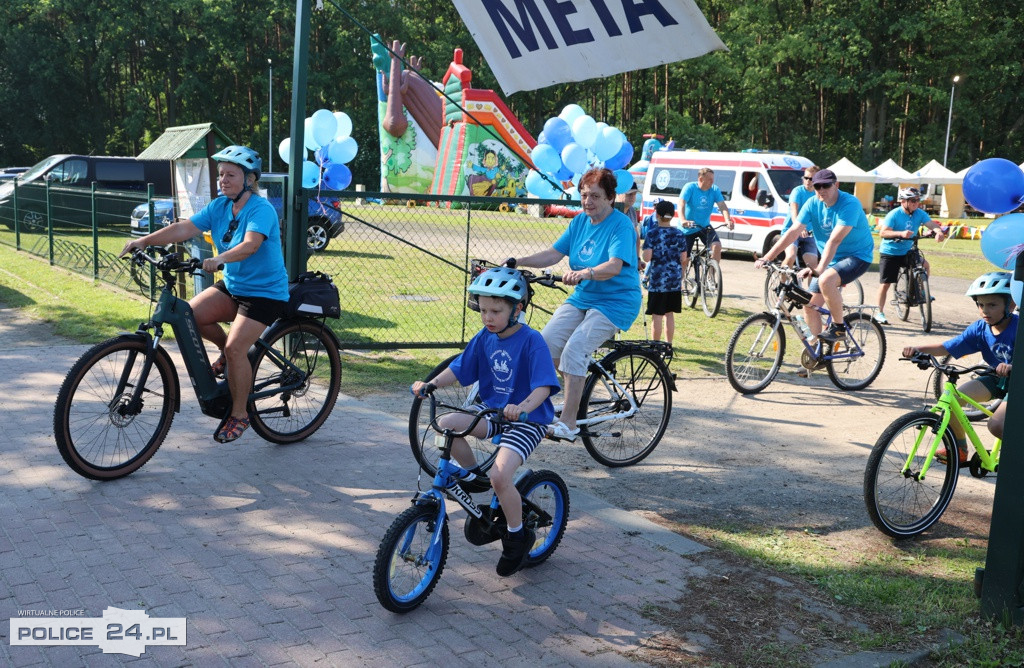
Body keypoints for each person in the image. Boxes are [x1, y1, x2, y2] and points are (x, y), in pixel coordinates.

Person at [120, 146, 288, 443]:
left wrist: (221, 260)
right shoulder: (220, 206)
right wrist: (144, 241)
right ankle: (228, 354)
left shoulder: (261, 210)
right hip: (234, 286)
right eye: (220, 174)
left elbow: (251, 245)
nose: (222, 180)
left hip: (264, 293)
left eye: (230, 175)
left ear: (249, 179)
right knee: (189, 316)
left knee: (238, 349)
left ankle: (239, 414)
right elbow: (185, 228)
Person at [410, 267, 560, 576]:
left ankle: (517, 537)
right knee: (448, 423)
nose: (487, 317)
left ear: (517, 309)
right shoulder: (485, 338)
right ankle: (472, 477)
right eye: (482, 309)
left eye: (496, 311)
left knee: (501, 476)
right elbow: (460, 368)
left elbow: (543, 386)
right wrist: (432, 385)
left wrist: (522, 407)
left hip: (526, 420)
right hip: (493, 412)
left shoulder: (532, 341)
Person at [513, 167, 642, 441]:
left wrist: (586, 273)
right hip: (584, 297)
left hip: (616, 301)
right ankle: (573, 392)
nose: (587, 202)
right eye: (584, 195)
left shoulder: (621, 225)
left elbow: (615, 266)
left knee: (574, 350)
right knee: (545, 344)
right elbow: (553, 254)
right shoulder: (579, 222)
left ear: (610, 197)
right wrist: (518, 261)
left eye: (595, 196)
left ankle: (569, 423)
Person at [901, 271, 1016, 463]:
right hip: (996, 378)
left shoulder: (1018, 327)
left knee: (996, 425)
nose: (985, 310)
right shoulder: (980, 328)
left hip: (1019, 382)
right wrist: (918, 349)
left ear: (1010, 305)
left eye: (992, 305)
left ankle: (1015, 461)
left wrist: (1012, 366)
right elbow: (947, 347)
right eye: (981, 304)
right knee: (952, 401)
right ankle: (960, 450)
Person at [755, 168, 874, 343]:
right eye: (817, 186)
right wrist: (768, 257)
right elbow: (792, 232)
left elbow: (834, 241)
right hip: (832, 258)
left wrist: (819, 269)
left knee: (826, 280)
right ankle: (816, 353)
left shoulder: (850, 204)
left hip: (857, 256)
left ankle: (839, 328)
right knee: (810, 306)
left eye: (826, 185)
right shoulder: (812, 204)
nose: (821, 190)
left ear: (836, 185)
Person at [873, 186, 947, 325]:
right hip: (891, 252)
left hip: (908, 250)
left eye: (918, 200)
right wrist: (900, 233)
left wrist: (939, 232)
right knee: (885, 284)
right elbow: (883, 233)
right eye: (912, 200)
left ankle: (922, 291)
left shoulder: (919, 213)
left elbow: (930, 223)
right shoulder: (894, 214)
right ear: (903, 202)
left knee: (925, 266)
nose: (916, 203)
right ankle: (879, 312)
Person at [642, 200, 686, 343]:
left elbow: (647, 257)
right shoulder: (679, 234)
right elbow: (684, 257)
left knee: (657, 315)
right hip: (674, 280)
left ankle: (656, 346)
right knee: (669, 314)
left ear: (657, 214)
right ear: (672, 215)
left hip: (658, 280)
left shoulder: (652, 233)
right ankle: (668, 345)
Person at [679, 167, 734, 281]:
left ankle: (711, 276)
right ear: (701, 179)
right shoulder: (690, 187)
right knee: (684, 258)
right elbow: (681, 204)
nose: (712, 182)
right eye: (709, 179)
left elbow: (722, 206)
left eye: (713, 179)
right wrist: (683, 220)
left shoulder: (714, 189)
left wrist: (727, 220)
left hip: (704, 226)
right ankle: (680, 282)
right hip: (688, 227)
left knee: (717, 246)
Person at [780, 166, 821, 271]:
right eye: (805, 178)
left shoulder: (819, 194)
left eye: (811, 179)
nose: (808, 181)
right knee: (791, 256)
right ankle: (782, 284)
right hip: (792, 230)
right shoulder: (797, 191)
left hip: (809, 233)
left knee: (813, 266)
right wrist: (800, 228)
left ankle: (811, 288)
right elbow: (794, 212)